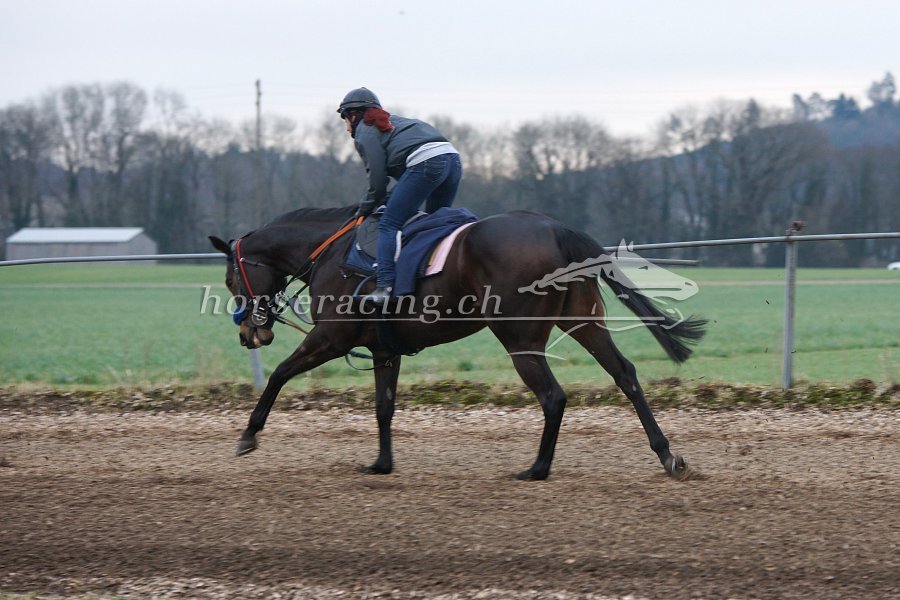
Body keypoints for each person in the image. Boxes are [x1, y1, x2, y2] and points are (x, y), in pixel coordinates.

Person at [338, 87, 463, 305]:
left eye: (346, 120)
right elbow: (403, 182)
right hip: (453, 160)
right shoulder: (396, 122)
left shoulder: (365, 130)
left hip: (427, 162)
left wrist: (365, 207)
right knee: (434, 222)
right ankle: (437, 279)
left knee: (388, 223)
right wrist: (385, 199)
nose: (348, 128)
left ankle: (384, 287)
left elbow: (377, 180)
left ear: (354, 115)